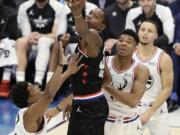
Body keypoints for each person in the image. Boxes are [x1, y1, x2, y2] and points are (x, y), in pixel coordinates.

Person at [10, 43, 84, 135]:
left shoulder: (36, 111)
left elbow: (52, 91)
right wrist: (60, 64)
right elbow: (48, 95)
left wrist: (68, 72)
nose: (38, 87)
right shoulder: (30, 114)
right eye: (34, 88)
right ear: (30, 99)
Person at [65, 0, 109, 135]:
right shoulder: (88, 42)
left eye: (95, 16)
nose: (90, 16)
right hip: (86, 101)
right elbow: (108, 78)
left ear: (101, 27)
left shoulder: (94, 35)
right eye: (90, 13)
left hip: (91, 105)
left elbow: (83, 31)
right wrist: (78, 97)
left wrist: (76, 13)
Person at [102, 29, 149, 135]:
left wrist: (106, 85)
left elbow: (133, 101)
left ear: (135, 48)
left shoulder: (141, 69)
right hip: (102, 120)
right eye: (121, 40)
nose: (123, 43)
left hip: (127, 123)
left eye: (128, 42)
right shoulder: (104, 62)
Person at [133, 20, 174, 135]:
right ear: (138, 32)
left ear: (156, 36)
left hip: (157, 110)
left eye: (149, 31)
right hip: (133, 109)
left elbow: (167, 89)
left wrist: (149, 113)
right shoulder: (128, 54)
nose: (145, 33)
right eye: (143, 30)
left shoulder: (164, 58)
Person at [16, 0, 66, 87]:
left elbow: (58, 34)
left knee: (44, 41)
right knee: (20, 42)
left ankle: (38, 82)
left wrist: (41, 36)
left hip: (51, 44)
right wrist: (33, 37)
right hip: (32, 43)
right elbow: (26, 33)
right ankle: (20, 83)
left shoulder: (58, 7)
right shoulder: (24, 7)